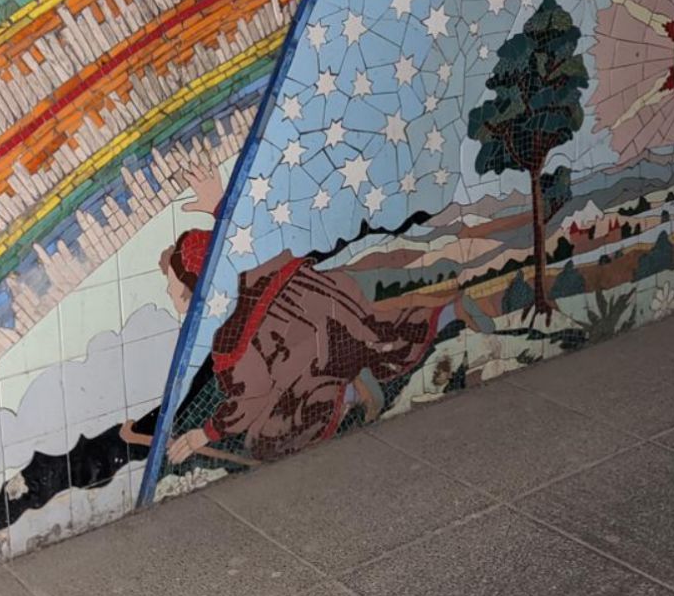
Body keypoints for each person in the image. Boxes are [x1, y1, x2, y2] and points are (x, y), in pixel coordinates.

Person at [158, 165, 493, 465]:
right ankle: (450, 311)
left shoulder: (229, 338)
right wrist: (220, 206)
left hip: (316, 357)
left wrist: (206, 433)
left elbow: (252, 394)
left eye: (172, 287)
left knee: (264, 438)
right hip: (336, 300)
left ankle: (349, 391)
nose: (169, 295)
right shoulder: (251, 274)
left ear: (192, 291)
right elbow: (245, 243)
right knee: (386, 336)